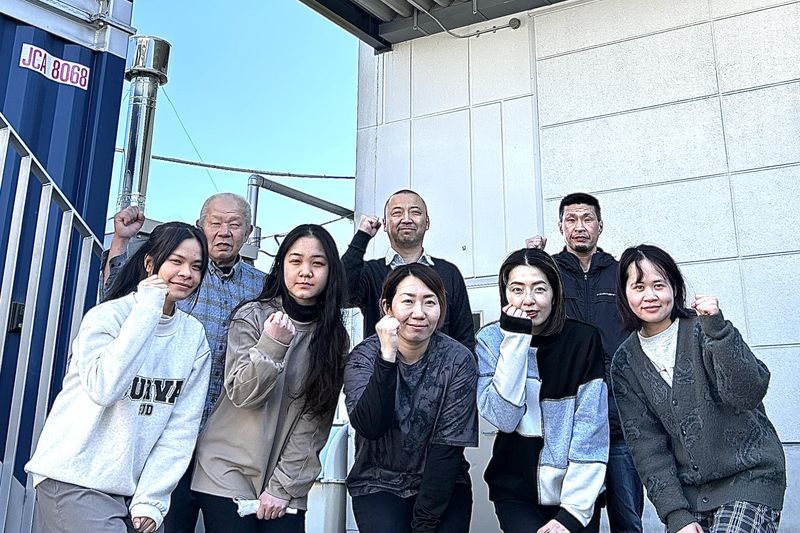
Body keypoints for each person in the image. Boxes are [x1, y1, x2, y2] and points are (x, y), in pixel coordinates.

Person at [25, 222, 212, 533]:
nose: (186, 273)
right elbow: (105, 388)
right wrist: (148, 309)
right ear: (150, 263)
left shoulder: (193, 337)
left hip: (130, 490)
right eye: (176, 261)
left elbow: (179, 431)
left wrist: (151, 500)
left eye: (196, 266)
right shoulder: (108, 317)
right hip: (74, 477)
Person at [102, 193, 266, 532]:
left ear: (248, 233)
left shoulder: (263, 286)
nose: (224, 232)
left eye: (235, 224)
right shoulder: (178, 274)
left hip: (227, 443)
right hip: (164, 432)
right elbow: (117, 299)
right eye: (215, 223)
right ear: (200, 225)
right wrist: (120, 242)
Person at [610, 244, 786, 533]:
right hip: (691, 495)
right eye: (638, 287)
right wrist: (676, 515)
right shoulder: (625, 363)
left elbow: (749, 392)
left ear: (674, 288)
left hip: (749, 477)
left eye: (658, 285)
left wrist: (718, 330)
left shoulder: (704, 330)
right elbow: (647, 447)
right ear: (624, 294)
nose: (650, 296)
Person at [190, 224, 349, 533]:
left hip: (287, 474)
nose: (305, 272)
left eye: (317, 263)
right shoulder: (252, 316)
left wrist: (282, 487)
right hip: (225, 468)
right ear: (282, 266)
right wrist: (273, 344)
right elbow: (243, 394)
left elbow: (315, 421)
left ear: (331, 271)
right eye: (295, 261)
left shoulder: (334, 337)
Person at [526, 192, 643, 531]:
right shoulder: (549, 272)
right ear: (561, 227)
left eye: (587, 218)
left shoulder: (620, 272)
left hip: (619, 415)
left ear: (600, 225)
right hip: (570, 418)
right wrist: (532, 260)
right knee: (575, 519)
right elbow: (525, 309)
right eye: (571, 219)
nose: (580, 226)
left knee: (627, 518)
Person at [476, 248, 608, 533]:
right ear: (505, 294)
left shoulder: (583, 339)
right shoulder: (489, 340)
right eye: (517, 289)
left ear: (554, 293)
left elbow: (591, 428)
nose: (528, 300)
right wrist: (515, 339)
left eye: (539, 288)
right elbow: (504, 418)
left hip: (575, 493)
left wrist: (572, 513)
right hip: (515, 489)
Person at [344, 263, 478, 533]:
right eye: (408, 301)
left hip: (442, 480)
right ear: (387, 307)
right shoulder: (363, 357)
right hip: (378, 480)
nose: (419, 313)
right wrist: (386, 358)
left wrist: (424, 524)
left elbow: (447, 447)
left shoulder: (458, 360)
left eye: (430, 302)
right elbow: (370, 426)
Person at [342, 189, 475, 351]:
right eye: (397, 213)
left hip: (443, 367)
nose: (406, 219)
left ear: (427, 222)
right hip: (382, 366)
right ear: (385, 224)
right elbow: (342, 295)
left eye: (415, 212)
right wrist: (362, 236)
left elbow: (465, 336)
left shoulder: (449, 273)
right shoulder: (370, 272)